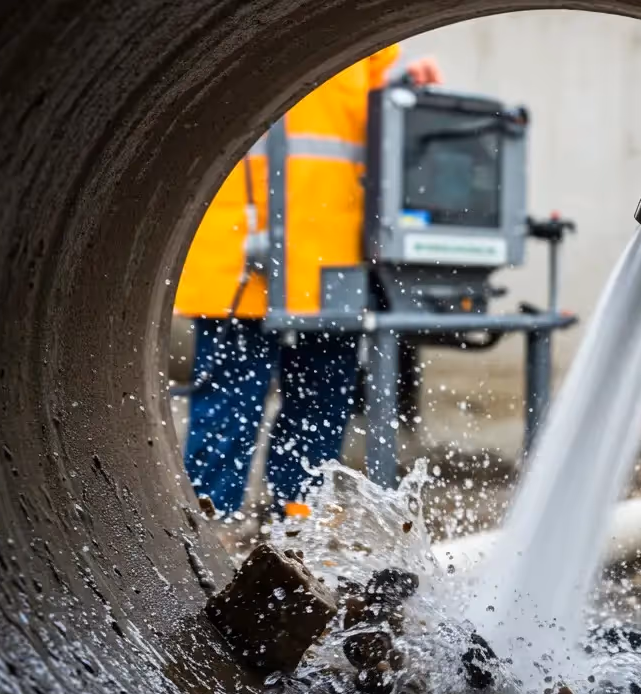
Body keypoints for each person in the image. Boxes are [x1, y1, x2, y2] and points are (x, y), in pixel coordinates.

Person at [174, 48, 443, 519]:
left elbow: (381, 106)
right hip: (245, 253)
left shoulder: (362, 34)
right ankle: (209, 524)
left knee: (320, 403)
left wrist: (408, 83)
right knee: (231, 404)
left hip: (331, 258)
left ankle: (298, 526)